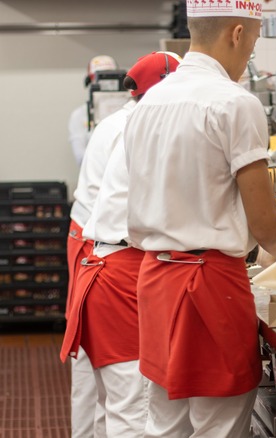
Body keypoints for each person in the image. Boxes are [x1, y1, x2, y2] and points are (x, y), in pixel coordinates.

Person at [123, 2, 276, 436]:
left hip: (155, 280)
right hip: (210, 286)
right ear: (237, 34)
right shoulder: (235, 103)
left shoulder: (149, 102)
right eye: (254, 43)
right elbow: (266, 223)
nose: (249, 56)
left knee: (164, 425)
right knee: (219, 428)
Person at [60, 51, 182, 437]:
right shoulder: (146, 129)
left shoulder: (121, 121)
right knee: (132, 402)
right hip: (117, 265)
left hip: (97, 256)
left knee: (104, 393)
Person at [66, 55, 124, 438]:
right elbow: (82, 157)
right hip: (91, 238)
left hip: (104, 238)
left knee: (108, 369)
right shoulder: (85, 118)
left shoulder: (130, 118)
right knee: (89, 355)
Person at [68, 55, 118, 167]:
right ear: (89, 82)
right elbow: (81, 158)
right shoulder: (79, 115)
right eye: (100, 78)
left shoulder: (130, 110)